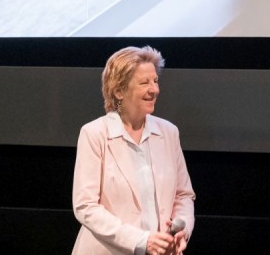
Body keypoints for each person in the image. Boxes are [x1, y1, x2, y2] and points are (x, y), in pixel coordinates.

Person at [72, 46, 196, 255]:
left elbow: (183, 195)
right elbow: (86, 206)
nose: (154, 89)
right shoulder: (94, 134)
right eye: (144, 82)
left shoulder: (168, 132)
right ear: (119, 91)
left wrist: (181, 230)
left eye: (155, 81)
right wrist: (141, 240)